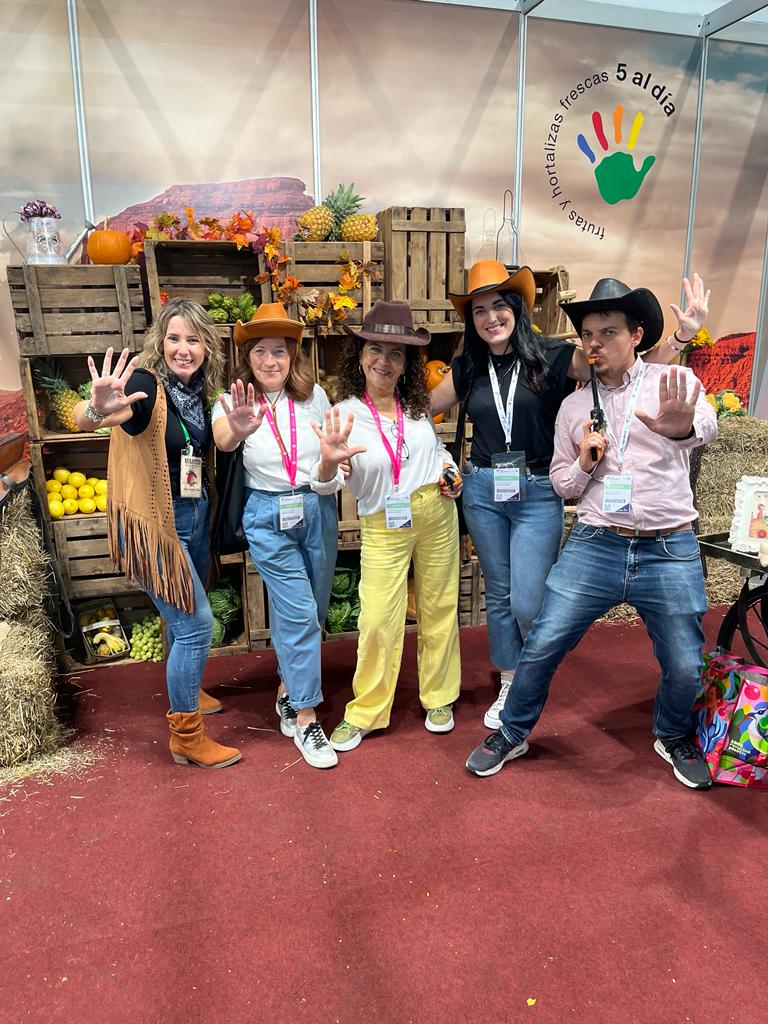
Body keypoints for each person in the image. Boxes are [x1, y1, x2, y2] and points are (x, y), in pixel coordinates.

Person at [430, 261, 710, 730]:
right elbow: (420, 410)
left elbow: (622, 366)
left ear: (517, 308)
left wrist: (682, 339)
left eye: (499, 305)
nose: (490, 317)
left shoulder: (554, 355)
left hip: (539, 488)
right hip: (482, 487)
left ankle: (532, 671)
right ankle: (510, 680)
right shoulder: (468, 366)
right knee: (498, 592)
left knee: (528, 601)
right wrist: (432, 455)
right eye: (479, 310)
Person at [72, 298, 240, 768]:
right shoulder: (145, 384)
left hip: (194, 515)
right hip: (157, 524)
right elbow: (100, 416)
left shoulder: (199, 391)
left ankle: (189, 686)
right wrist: (95, 409)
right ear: (159, 342)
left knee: (183, 619)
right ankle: (186, 736)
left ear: (207, 347)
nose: (183, 349)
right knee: (195, 625)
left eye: (193, 340)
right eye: (174, 338)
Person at [312, 300, 463, 751]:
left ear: (406, 363)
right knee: (378, 619)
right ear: (359, 356)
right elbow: (326, 484)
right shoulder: (344, 414)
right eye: (375, 349)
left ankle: (439, 696)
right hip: (382, 523)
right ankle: (366, 710)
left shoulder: (416, 407)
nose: (384, 361)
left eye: (396, 353)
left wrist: (450, 470)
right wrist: (328, 463)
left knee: (439, 608)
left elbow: (435, 452)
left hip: (436, 512)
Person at [212, 302, 347, 769]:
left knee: (316, 609)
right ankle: (308, 718)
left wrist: (331, 466)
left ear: (293, 355)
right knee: (298, 611)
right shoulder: (235, 399)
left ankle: (288, 688)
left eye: (279, 351)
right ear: (246, 357)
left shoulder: (314, 396)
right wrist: (236, 428)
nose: (270, 362)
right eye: (260, 352)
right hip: (266, 513)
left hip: (316, 507)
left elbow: (330, 458)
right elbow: (222, 438)